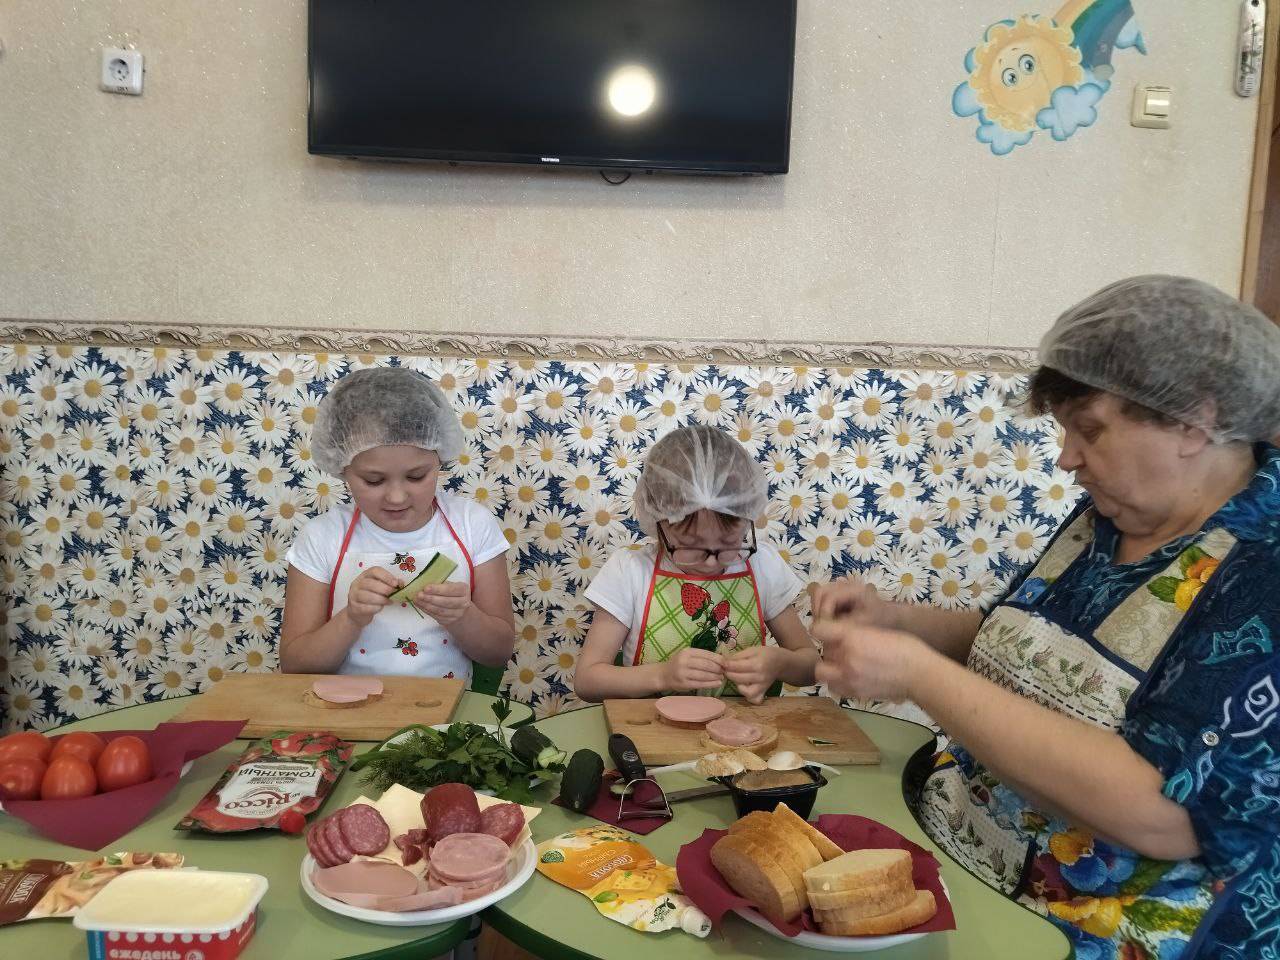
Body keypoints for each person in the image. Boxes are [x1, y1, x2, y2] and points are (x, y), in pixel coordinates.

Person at [812, 276, 1280, 959]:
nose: (1066, 458)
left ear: (1193, 420)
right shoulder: (1106, 517)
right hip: (961, 864)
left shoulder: (1260, 569)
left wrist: (916, 674)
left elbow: (1160, 813)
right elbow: (1015, 640)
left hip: (1088, 933)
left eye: (1089, 429)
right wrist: (899, 622)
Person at [280, 367, 515, 680]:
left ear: (439, 460)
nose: (396, 496)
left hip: (448, 708)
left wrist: (463, 616)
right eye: (373, 480)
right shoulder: (322, 537)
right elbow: (295, 665)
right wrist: (351, 618)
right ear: (342, 469)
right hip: (347, 707)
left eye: (416, 476)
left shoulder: (473, 525)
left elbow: (499, 652)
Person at [575, 425, 818, 703]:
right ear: (658, 522)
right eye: (691, 546)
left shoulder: (764, 566)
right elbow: (587, 681)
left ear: (747, 520)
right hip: (648, 727)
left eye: (729, 543)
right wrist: (661, 675)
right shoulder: (629, 571)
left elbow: (811, 667)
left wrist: (780, 663)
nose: (711, 561)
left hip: (744, 727)